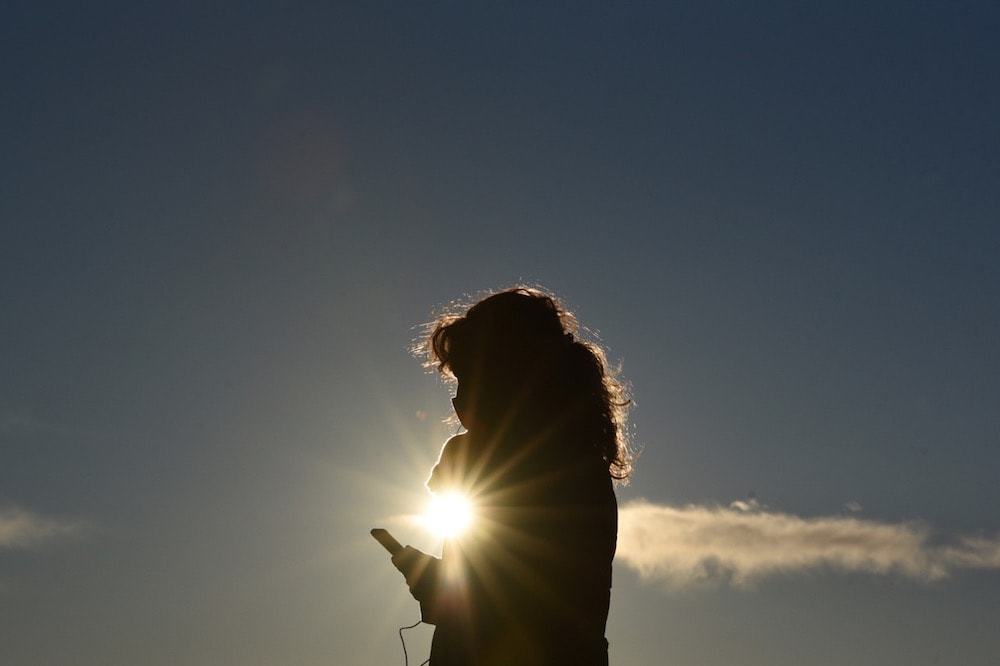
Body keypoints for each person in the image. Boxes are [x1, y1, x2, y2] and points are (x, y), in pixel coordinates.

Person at [391, 287, 633, 665]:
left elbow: (527, 611)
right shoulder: (569, 463)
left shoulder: (559, 473)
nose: (458, 400)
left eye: (468, 379)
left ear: (513, 376)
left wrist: (434, 583)